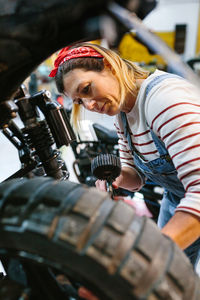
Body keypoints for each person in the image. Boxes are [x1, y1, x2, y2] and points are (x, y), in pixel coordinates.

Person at [49, 42, 200, 270]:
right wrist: (116, 178)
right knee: (170, 277)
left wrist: (141, 262)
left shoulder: (166, 102)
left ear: (109, 65)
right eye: (79, 101)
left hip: (194, 200)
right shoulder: (123, 112)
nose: (89, 105)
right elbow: (136, 175)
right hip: (178, 197)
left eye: (87, 89)